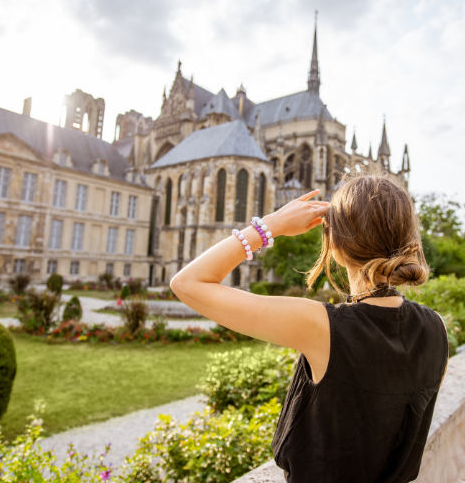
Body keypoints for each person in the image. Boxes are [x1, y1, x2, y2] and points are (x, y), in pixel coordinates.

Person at [170, 173, 449, 483]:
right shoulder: (436, 328)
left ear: (337, 245)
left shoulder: (323, 326)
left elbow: (186, 283)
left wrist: (268, 226)